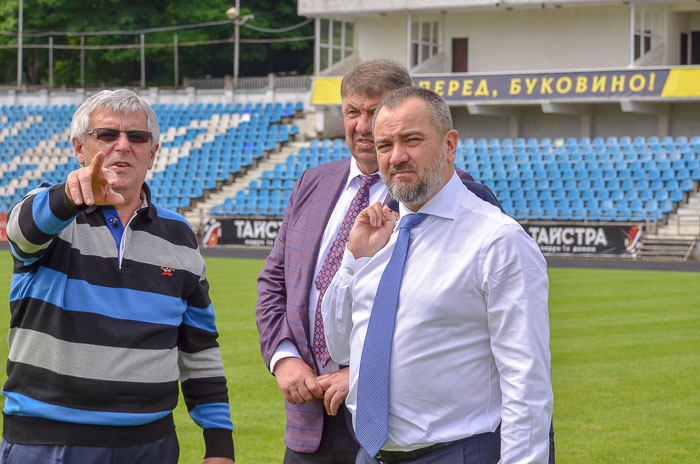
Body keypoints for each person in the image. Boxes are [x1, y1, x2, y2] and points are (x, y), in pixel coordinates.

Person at [255, 59, 502, 463]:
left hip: (389, 424)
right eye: (353, 111)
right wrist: (284, 357)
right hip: (308, 417)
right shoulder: (312, 183)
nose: (364, 125)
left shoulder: (456, 195)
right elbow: (274, 283)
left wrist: (363, 374)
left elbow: (449, 324)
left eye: (376, 111)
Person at [321, 86, 553, 463]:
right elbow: (340, 347)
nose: (396, 157)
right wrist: (354, 258)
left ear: (449, 145)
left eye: (411, 140)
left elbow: (526, 383)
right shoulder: (381, 235)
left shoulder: (497, 240)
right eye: (384, 146)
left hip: (458, 452)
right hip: (372, 454)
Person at [2, 89, 234, 464]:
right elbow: (20, 231)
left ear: (152, 154)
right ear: (80, 149)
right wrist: (68, 198)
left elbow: (199, 347)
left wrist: (220, 446)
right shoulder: (50, 213)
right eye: (106, 134)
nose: (122, 145)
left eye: (137, 137)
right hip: (47, 443)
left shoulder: (180, 235)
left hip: (151, 444)